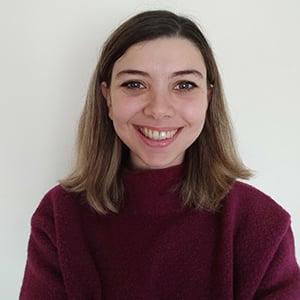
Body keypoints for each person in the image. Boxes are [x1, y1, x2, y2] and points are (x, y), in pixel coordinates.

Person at [20, 10, 300, 299]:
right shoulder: (59, 216)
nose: (158, 108)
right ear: (108, 99)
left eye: (184, 85)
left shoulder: (261, 223)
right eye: (135, 84)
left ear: (208, 97)